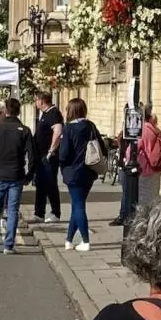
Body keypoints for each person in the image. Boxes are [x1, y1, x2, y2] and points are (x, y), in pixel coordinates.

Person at [0, 97, 36, 254]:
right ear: (19, 111)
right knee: (12, 210)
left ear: (6, 110)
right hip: (17, 174)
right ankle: (9, 245)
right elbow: (33, 157)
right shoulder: (25, 131)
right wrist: (29, 175)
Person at [58, 98, 105, 252]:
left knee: (78, 206)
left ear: (71, 111)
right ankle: (69, 240)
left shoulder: (68, 129)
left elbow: (64, 153)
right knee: (77, 205)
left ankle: (85, 241)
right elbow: (103, 148)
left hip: (73, 172)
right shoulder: (90, 126)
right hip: (89, 171)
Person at [32, 90, 64, 223]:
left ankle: (55, 212)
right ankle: (39, 213)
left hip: (48, 155)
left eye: (36, 100)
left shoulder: (53, 113)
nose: (35, 103)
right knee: (40, 184)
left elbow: (58, 131)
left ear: (41, 100)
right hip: (41, 155)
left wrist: (51, 151)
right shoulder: (45, 114)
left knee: (50, 183)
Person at [137, 105, 161, 206]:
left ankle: (146, 220)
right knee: (154, 197)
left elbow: (134, 148)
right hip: (156, 168)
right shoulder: (156, 130)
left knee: (143, 199)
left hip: (145, 169)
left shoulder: (142, 130)